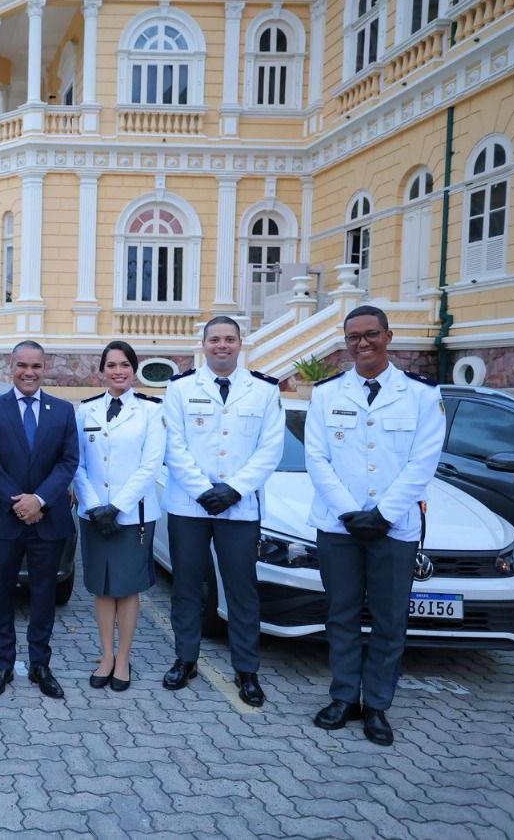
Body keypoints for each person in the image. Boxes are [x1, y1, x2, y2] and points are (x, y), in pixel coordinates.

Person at [306, 305, 445, 746]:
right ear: (345, 342)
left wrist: (383, 514)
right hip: (338, 525)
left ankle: (378, 705)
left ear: (388, 335)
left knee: (388, 621)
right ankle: (344, 696)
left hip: (394, 527)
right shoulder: (326, 394)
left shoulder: (421, 395)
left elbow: (423, 462)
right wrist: (350, 512)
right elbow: (317, 458)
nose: (362, 343)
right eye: (353, 337)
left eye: (370, 335)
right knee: (341, 615)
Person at [162, 316, 284, 707]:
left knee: (242, 589)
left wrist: (234, 489)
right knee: (186, 585)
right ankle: (186, 659)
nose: (222, 346)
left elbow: (271, 449)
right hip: (189, 505)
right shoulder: (180, 388)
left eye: (229, 339)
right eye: (215, 339)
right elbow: (173, 444)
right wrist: (203, 490)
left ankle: (246, 669)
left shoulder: (263, 391)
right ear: (204, 344)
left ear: (240, 343)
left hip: (241, 506)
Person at [0, 341, 78, 699]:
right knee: (1, 593)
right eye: (22, 365)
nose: (29, 372)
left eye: (35, 365)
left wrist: (40, 500)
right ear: (11, 366)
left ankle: (40, 665)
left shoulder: (63, 411)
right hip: (4, 519)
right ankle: (2, 664)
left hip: (47, 520)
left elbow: (68, 462)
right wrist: (18, 502)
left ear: (44, 367)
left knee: (44, 594)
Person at [72, 341, 165, 693]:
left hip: (132, 515)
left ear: (134, 369)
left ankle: (124, 658)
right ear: (102, 370)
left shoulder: (152, 411)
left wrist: (117, 506)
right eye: (111, 365)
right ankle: (106, 655)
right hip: (94, 515)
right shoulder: (86, 410)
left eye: (125, 365)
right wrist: (96, 506)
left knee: (126, 589)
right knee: (101, 587)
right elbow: (76, 463)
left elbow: (150, 465)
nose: (118, 371)